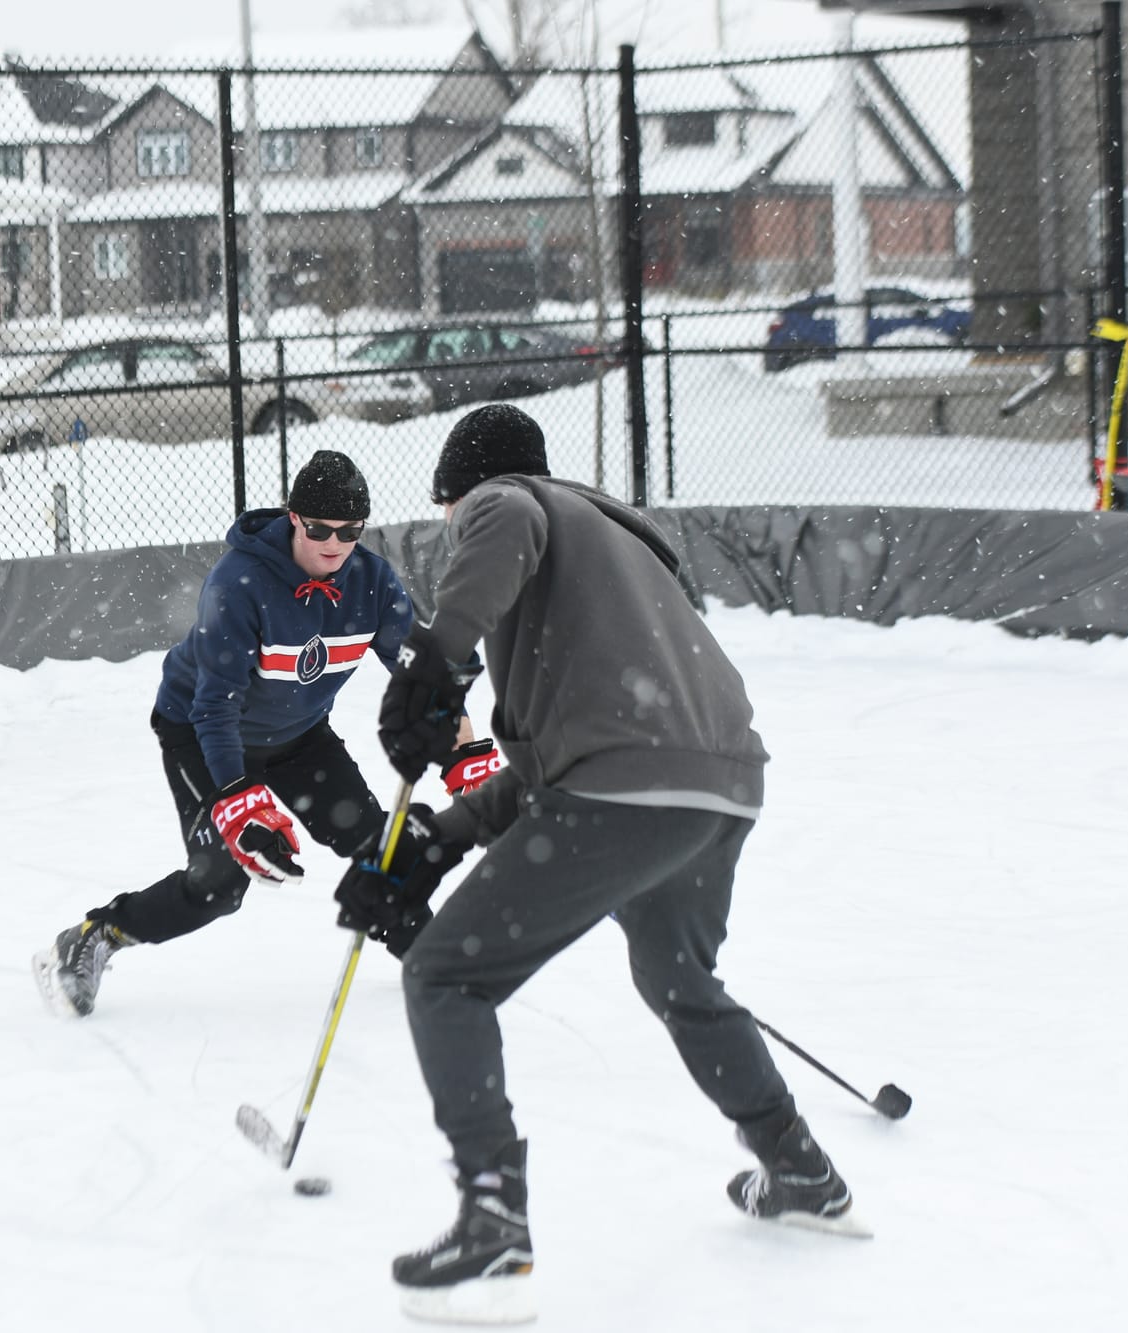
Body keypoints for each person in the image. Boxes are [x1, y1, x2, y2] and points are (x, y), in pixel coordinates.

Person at [334, 404, 864, 1326]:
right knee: (680, 978)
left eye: (450, 511)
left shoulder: (512, 502)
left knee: (447, 975)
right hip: (721, 789)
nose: (456, 529)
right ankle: (801, 1169)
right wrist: (437, 840)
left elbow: (506, 533)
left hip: (627, 788)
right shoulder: (627, 556)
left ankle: (494, 1217)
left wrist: (432, 660)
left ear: (468, 493)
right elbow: (553, 766)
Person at [34, 449, 495, 1017]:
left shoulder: (371, 583)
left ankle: (430, 959)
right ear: (293, 517)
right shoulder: (240, 583)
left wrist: (465, 754)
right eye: (320, 527)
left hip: (298, 738)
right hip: (201, 734)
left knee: (381, 847)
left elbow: (423, 677)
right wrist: (237, 798)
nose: (335, 542)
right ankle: (96, 935)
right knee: (221, 885)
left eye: (350, 530)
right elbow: (213, 706)